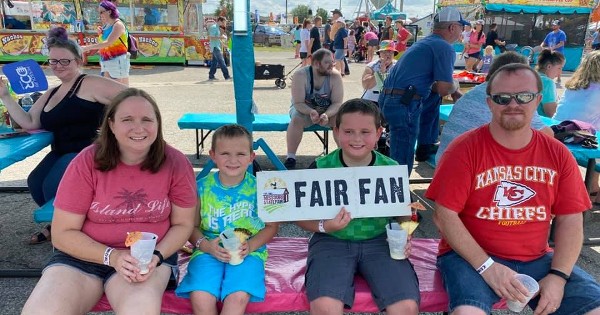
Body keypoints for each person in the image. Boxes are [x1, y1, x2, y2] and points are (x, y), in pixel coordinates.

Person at [426, 62, 600, 315]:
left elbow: (571, 218)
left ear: (538, 99)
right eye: (503, 98)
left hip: (537, 258)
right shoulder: (465, 149)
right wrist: (487, 267)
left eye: (524, 96)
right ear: (489, 103)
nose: (513, 104)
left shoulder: (557, 153)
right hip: (470, 258)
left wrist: (559, 276)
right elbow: (444, 215)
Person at [21, 88, 198, 314]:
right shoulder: (86, 162)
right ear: (111, 125)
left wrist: (157, 256)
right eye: (127, 119)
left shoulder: (175, 162)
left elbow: (183, 224)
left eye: (147, 119)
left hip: (146, 258)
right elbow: (63, 233)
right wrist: (112, 256)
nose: (139, 127)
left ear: (158, 124)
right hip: (82, 257)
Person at [0, 27, 126, 245]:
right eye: (53, 62)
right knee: (35, 182)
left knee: (51, 186)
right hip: (62, 151)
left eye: (65, 61)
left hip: (90, 151)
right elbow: (30, 122)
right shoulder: (52, 92)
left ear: (79, 60)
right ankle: (63, 223)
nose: (58, 66)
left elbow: (134, 99)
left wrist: (117, 129)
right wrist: (5, 97)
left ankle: (69, 229)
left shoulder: (89, 83)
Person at [296, 98, 420, 315]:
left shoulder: (390, 168)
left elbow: (406, 212)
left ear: (379, 132)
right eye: (349, 131)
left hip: (381, 241)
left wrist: (405, 233)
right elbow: (299, 215)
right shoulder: (320, 167)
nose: (356, 139)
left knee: (406, 307)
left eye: (365, 131)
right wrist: (326, 226)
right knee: (324, 306)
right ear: (336, 132)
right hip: (331, 241)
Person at [175, 124, 279, 315]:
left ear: (251, 157)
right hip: (208, 249)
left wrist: (252, 246)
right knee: (200, 295)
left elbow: (272, 227)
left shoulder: (262, 188)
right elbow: (191, 226)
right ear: (213, 155)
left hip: (249, 252)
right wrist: (206, 246)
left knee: (238, 296)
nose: (233, 160)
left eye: (240, 154)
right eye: (225, 154)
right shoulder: (201, 188)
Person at [378, 6, 467, 174]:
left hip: (390, 99)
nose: (462, 32)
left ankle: (425, 145)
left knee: (401, 149)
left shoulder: (425, 43)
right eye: (461, 27)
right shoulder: (444, 47)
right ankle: (400, 194)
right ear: (452, 27)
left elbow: (435, 88)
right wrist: (455, 88)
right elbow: (443, 88)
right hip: (404, 103)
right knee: (402, 157)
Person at [434, 51, 554, 165]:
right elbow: (547, 138)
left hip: (444, 162)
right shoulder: (510, 99)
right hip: (470, 170)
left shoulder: (476, 92)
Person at [283, 48, 343, 169]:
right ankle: (291, 157)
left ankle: (343, 155)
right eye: (327, 62)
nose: (332, 65)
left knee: (340, 120)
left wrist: (327, 114)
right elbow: (298, 103)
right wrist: (311, 112)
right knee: (296, 120)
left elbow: (337, 103)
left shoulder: (335, 76)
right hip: (304, 109)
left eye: (332, 61)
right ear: (316, 63)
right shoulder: (300, 75)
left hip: (327, 109)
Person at [553, 51, 600, 204]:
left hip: (560, 137)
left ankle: (592, 189)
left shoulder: (572, 86)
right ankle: (592, 190)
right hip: (581, 145)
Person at [81, 1, 130, 86]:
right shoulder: (106, 25)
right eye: (99, 12)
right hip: (106, 61)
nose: (100, 15)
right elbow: (103, 44)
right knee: (108, 89)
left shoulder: (118, 25)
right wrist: (100, 34)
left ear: (109, 11)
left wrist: (86, 48)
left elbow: (108, 43)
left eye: (101, 12)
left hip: (117, 61)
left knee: (119, 90)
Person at [361, 40, 398, 105]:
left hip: (390, 100)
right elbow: (366, 85)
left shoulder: (398, 66)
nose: (387, 54)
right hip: (372, 100)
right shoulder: (371, 66)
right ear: (380, 53)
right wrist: (380, 72)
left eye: (390, 52)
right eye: (384, 52)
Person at [535, 49, 565, 117]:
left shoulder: (532, 76)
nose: (560, 72)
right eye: (559, 68)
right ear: (549, 66)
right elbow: (551, 113)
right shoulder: (547, 82)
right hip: (541, 124)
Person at [541, 20, 566, 87]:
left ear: (559, 26)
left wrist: (553, 48)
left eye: (555, 25)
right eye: (553, 25)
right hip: (550, 53)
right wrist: (541, 46)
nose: (553, 26)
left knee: (558, 66)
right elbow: (544, 42)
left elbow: (561, 43)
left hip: (558, 53)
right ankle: (549, 78)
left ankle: (558, 78)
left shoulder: (562, 33)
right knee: (549, 65)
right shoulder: (550, 34)